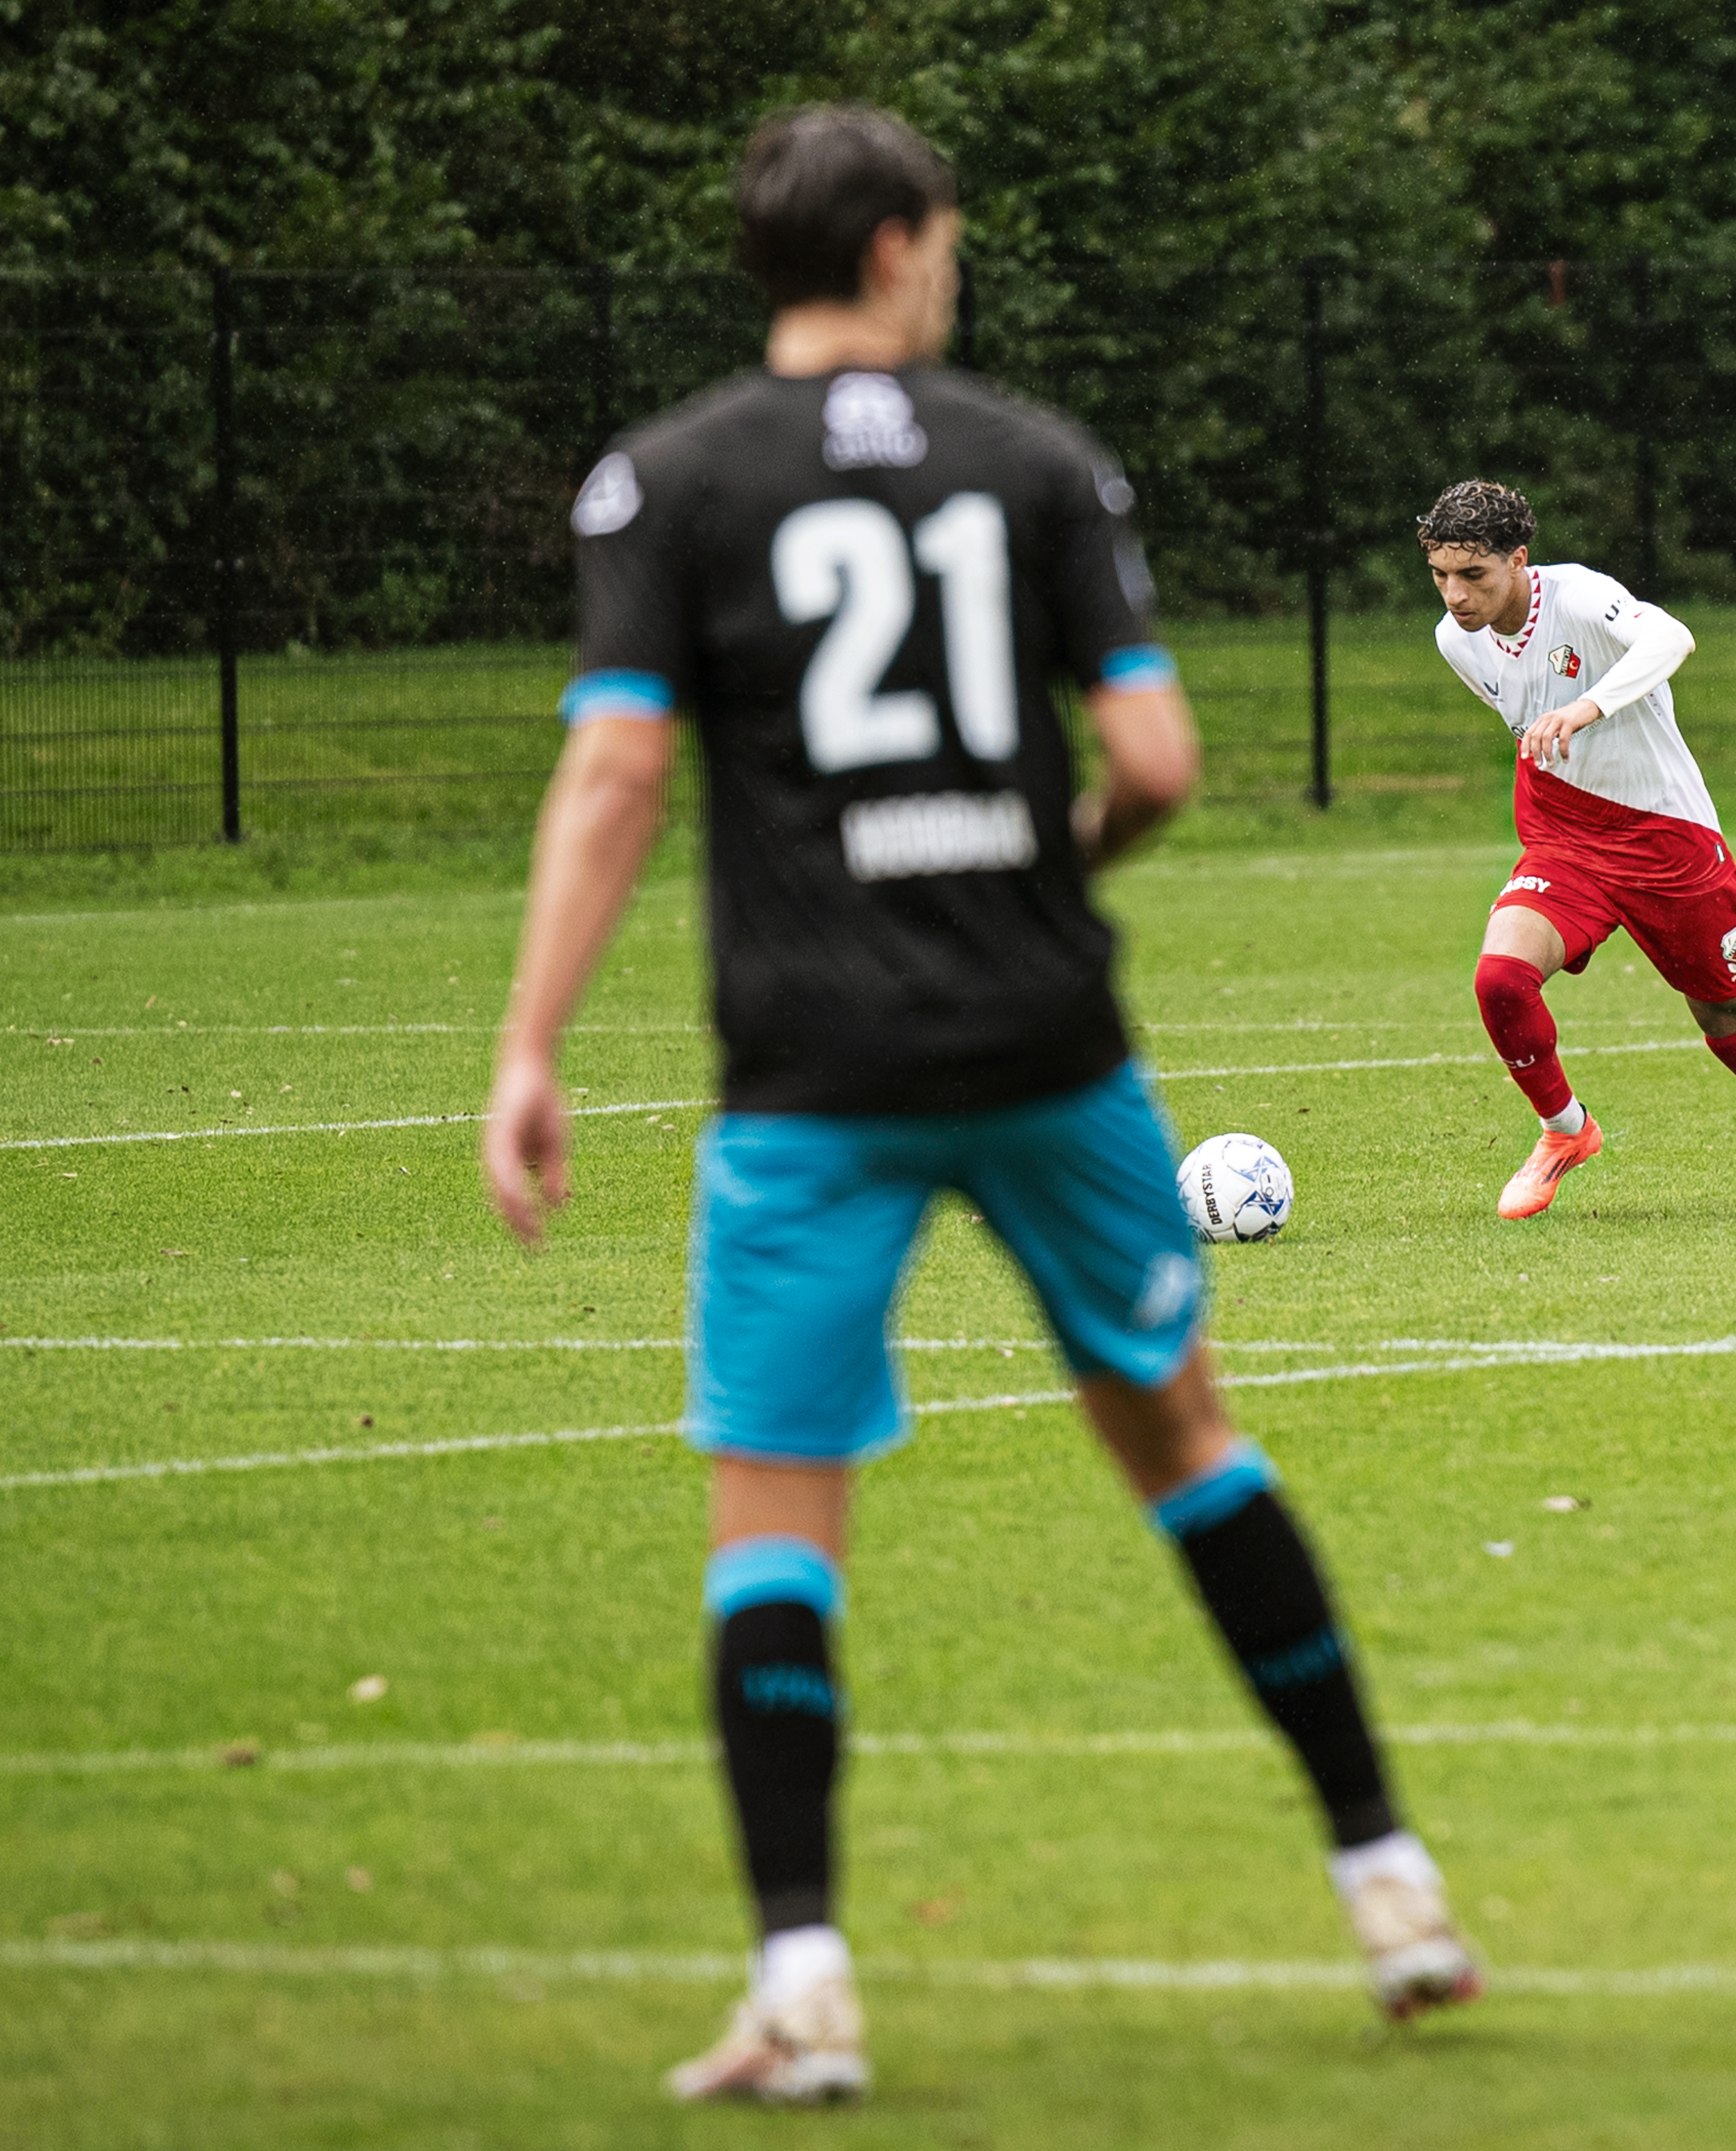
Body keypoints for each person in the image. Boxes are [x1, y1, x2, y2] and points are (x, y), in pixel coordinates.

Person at [478, 103, 1476, 2104]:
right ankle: (1391, 1886)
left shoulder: (663, 482)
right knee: (1182, 1433)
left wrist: (529, 1046)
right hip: (1044, 1043)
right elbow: (1161, 759)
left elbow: (612, 779)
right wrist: (1050, 866)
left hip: (810, 1070)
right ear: (901, 248)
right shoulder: (1030, 461)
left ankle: (806, 1983)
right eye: (941, 238)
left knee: (775, 1504)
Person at [1418, 481, 1736, 1218]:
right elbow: (1524, 716)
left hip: (1666, 840)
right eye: (1439, 575)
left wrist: (1587, 706)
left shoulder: (1581, 597)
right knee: (1500, 977)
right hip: (1565, 835)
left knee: (1724, 1015)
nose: (1454, 595)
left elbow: (1671, 638)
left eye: (1473, 576)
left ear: (1518, 560)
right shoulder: (1452, 638)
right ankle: (1565, 1131)